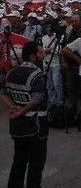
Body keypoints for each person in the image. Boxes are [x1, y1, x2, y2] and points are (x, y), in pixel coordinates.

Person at [0, 42, 49, 188]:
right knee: (36, 163)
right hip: (36, 124)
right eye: (40, 53)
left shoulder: (12, 72)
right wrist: (23, 109)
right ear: (33, 56)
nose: (43, 55)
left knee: (19, 161)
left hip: (17, 125)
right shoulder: (38, 74)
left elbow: (3, 93)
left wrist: (13, 107)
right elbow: (37, 99)